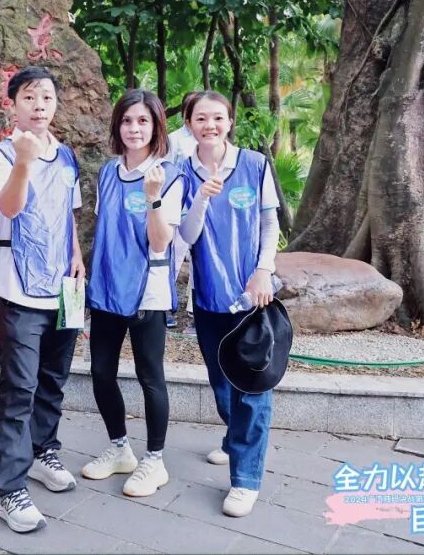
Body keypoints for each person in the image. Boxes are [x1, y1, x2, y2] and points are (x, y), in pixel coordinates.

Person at [0, 65, 84, 533]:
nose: (39, 106)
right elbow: (10, 207)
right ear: (13, 104)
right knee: (18, 388)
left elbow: (69, 215)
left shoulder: (66, 156)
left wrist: (76, 255)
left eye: (46, 97)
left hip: (63, 287)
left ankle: (44, 451)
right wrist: (24, 160)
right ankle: (8, 489)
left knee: (53, 379)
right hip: (19, 288)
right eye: (29, 97)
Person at [177, 90, 280, 518]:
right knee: (221, 382)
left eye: (218, 117)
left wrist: (264, 270)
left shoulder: (254, 165)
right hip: (209, 297)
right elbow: (186, 235)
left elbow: (270, 223)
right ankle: (233, 436)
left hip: (252, 296)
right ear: (189, 124)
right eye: (201, 118)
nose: (210, 125)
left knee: (252, 387)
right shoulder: (182, 171)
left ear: (230, 121)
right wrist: (202, 196)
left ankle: (245, 479)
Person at [81, 89, 186, 498]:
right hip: (108, 288)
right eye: (127, 120)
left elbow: (160, 242)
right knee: (101, 372)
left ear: (156, 126)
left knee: (150, 376)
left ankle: (154, 460)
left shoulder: (169, 176)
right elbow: (105, 231)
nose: (134, 129)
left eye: (143, 121)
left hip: (148, 291)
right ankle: (119, 448)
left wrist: (152, 197)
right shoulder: (108, 172)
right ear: (117, 126)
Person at [165, 90, 199, 329]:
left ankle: (196, 310)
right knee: (173, 258)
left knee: (201, 261)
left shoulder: (209, 141)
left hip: (203, 209)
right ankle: (166, 307)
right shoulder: (174, 140)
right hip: (179, 209)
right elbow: (166, 173)